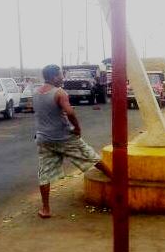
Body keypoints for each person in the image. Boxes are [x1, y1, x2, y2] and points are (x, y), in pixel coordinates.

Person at [34, 64, 110, 218]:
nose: (63, 77)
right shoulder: (59, 92)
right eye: (61, 75)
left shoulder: (35, 92)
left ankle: (46, 209)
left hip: (43, 139)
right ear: (54, 76)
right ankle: (118, 180)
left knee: (44, 174)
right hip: (64, 137)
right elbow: (69, 112)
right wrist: (77, 128)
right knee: (91, 157)